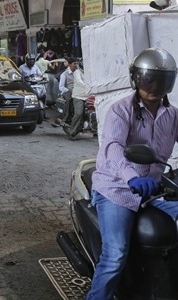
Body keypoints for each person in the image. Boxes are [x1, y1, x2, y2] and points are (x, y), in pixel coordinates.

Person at [87, 48, 178, 299]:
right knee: (115, 254)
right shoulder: (120, 110)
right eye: (149, 79)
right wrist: (132, 177)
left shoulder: (172, 115)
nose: (155, 86)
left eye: (162, 80)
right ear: (136, 79)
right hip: (117, 190)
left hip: (153, 192)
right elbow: (113, 147)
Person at [63, 65, 89, 141]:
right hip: (79, 96)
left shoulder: (90, 73)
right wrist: (88, 86)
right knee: (78, 113)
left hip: (89, 96)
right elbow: (79, 81)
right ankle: (72, 132)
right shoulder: (77, 72)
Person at [55, 57, 78, 126]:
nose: (76, 65)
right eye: (75, 64)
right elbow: (61, 87)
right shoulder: (64, 74)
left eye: (77, 64)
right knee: (70, 98)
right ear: (70, 64)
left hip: (78, 91)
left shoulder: (79, 72)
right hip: (67, 91)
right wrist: (70, 90)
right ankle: (66, 116)